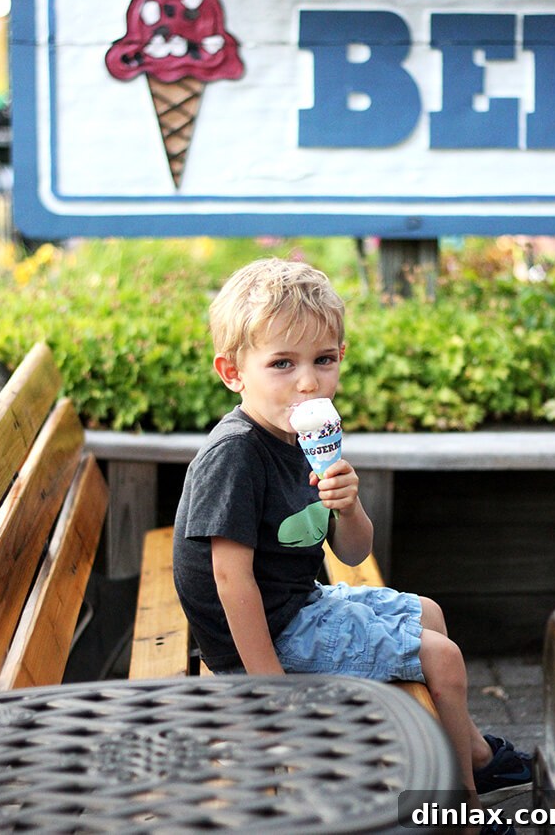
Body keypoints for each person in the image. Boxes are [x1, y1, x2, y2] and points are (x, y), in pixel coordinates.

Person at [173, 257, 532, 833]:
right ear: (232, 372)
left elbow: (355, 552)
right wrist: (270, 692)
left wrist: (349, 502)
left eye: (324, 360)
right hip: (262, 638)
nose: (308, 382)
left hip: (299, 604)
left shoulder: (302, 437)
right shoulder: (235, 455)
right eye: (282, 364)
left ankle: (478, 760)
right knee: (443, 657)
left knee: (431, 615)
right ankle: (462, 798)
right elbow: (228, 580)